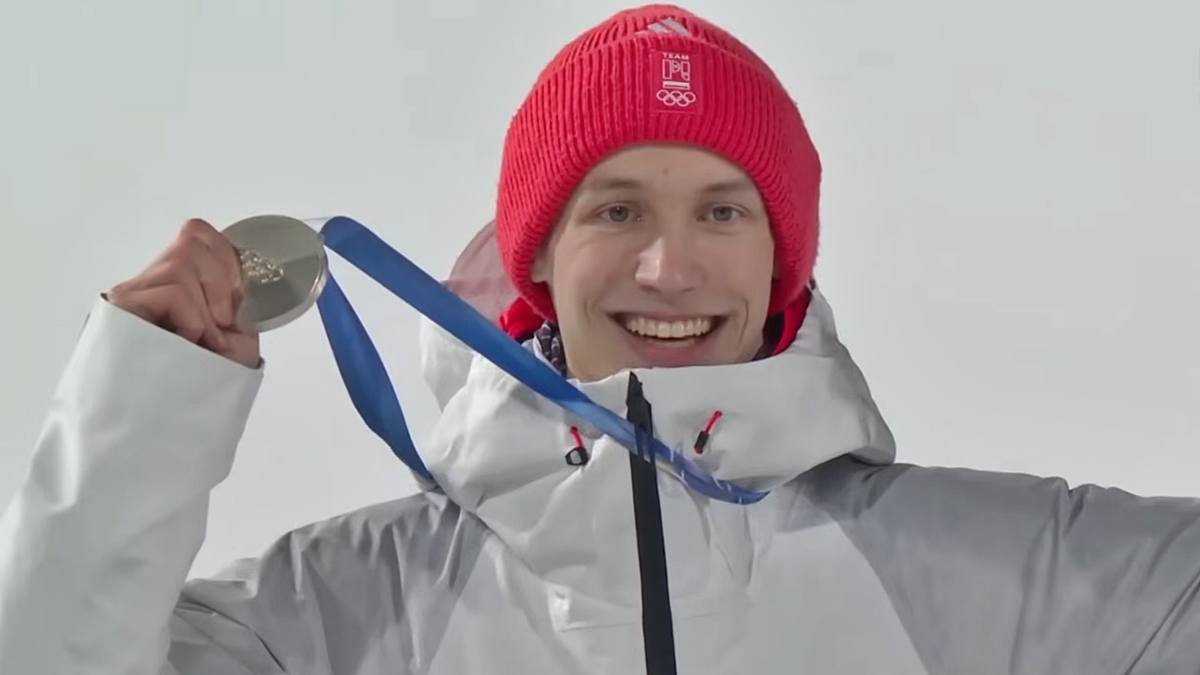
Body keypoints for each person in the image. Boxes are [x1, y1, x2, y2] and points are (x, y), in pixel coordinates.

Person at [1, 4, 1198, 674]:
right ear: (534, 258)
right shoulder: (348, 609)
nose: (668, 266)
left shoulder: (1000, 576)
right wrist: (139, 416)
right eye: (616, 209)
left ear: (783, 262)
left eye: (722, 212)